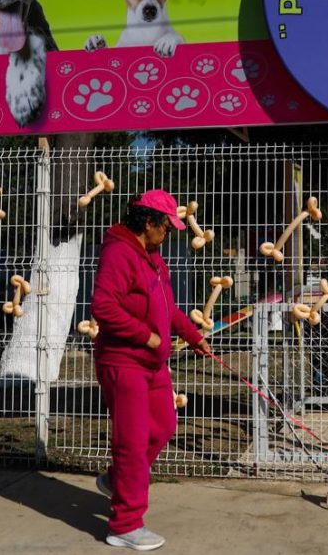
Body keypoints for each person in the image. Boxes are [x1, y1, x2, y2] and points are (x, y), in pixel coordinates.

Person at [90, 189, 212, 551]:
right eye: (166, 227)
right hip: (124, 361)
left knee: (162, 426)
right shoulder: (118, 253)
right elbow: (103, 307)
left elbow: (168, 308)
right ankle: (125, 525)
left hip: (152, 363)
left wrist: (193, 336)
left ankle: (118, 480)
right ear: (148, 222)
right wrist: (148, 337)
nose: (169, 233)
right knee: (131, 439)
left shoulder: (154, 258)